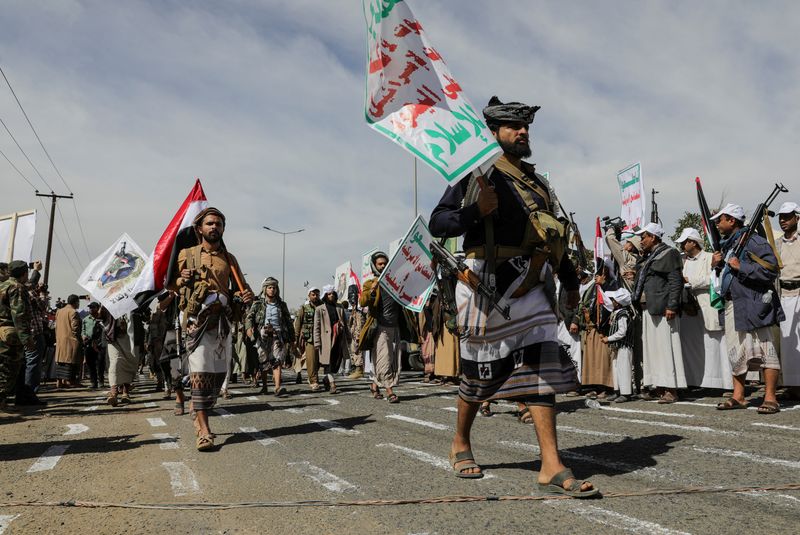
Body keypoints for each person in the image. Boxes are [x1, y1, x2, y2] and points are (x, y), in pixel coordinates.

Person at [429, 96, 596, 497]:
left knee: (541, 366)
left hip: (532, 283)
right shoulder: (474, 173)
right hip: (485, 281)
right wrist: (474, 212)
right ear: (494, 132)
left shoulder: (538, 183)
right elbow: (438, 223)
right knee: (478, 374)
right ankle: (461, 441)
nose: (522, 132)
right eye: (513, 127)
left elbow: (551, 236)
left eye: (525, 128)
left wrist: (570, 279)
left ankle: (551, 464)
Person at [169, 207, 253, 450]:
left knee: (217, 375)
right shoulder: (187, 254)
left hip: (223, 321)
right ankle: (203, 430)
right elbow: (172, 285)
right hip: (198, 320)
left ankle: (200, 407)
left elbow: (241, 288)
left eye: (218, 224)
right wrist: (182, 279)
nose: (214, 227)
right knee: (200, 371)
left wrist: (246, 295)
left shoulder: (230, 258)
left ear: (223, 229)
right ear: (199, 228)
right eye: (209, 223)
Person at [712, 204, 784, 413]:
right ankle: (739, 396)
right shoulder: (727, 245)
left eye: (721, 219)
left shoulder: (754, 241)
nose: (717, 223)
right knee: (736, 351)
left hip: (753, 303)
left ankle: (771, 397)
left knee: (766, 351)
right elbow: (725, 274)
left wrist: (740, 266)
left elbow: (771, 271)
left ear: (731, 220)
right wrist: (717, 265)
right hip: (733, 304)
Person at [632, 222, 686, 403]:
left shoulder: (669, 253)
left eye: (643, 237)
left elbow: (675, 281)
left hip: (664, 308)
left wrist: (672, 305)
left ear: (653, 237)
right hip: (649, 307)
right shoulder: (648, 257)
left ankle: (671, 389)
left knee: (666, 349)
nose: (641, 241)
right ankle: (658, 386)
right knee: (653, 350)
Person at [675, 228, 732, 391]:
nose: (683, 245)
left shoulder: (710, 257)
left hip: (708, 304)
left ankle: (721, 383)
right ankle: (695, 380)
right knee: (691, 344)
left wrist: (689, 281)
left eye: (685, 242)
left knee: (713, 343)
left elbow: (714, 278)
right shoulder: (682, 261)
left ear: (693, 242)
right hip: (688, 306)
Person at [358, 252, 402, 404]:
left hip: (395, 326)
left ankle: (374, 385)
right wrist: (372, 290)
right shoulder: (370, 283)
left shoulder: (395, 282)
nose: (383, 266)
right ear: (374, 266)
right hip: (380, 327)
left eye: (385, 263)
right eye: (380, 264)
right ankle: (389, 390)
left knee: (393, 360)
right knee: (384, 358)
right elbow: (362, 302)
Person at [246, 277, 294, 397]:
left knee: (277, 361)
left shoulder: (282, 305)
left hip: (277, 335)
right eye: (270, 287)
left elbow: (288, 321)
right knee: (264, 361)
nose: (272, 290)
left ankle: (277, 387)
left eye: (274, 287)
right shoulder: (257, 304)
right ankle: (265, 386)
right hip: (262, 335)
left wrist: (292, 339)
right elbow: (249, 317)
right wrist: (249, 328)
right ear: (265, 289)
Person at [0, 261, 33, 412]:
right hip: (10, 333)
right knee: (9, 368)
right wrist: (26, 338)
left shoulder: (3, 285)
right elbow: (19, 315)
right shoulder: (17, 287)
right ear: (24, 273)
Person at [776, 202, 800, 399]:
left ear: (797, 218)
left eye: (787, 216)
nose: (783, 220)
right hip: (784, 295)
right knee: (787, 343)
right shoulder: (777, 244)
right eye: (781, 217)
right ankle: (792, 385)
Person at [313, 285, 349, 394]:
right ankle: (333, 384)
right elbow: (317, 327)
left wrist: (348, 336)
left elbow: (346, 324)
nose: (331, 295)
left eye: (333, 293)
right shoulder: (320, 309)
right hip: (326, 340)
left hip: (338, 338)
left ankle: (326, 379)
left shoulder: (339, 307)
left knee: (336, 362)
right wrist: (317, 342)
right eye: (329, 294)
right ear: (325, 295)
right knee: (327, 363)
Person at [601, 288, 635, 402]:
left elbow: (622, 332)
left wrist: (608, 338)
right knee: (616, 368)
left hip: (624, 346)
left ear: (618, 302)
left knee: (623, 368)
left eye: (614, 299)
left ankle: (626, 393)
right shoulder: (617, 313)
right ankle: (617, 391)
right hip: (617, 346)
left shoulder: (623, 314)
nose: (612, 301)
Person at [103, 309, 138, 405]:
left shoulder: (135, 302)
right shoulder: (109, 302)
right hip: (114, 337)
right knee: (115, 362)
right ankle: (114, 391)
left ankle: (125, 392)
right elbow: (100, 316)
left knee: (129, 363)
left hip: (131, 338)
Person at [294, 287, 322, 390]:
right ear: (309, 296)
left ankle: (313, 377)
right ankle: (313, 381)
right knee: (311, 360)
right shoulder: (304, 308)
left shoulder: (323, 307)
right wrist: (296, 338)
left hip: (322, 337)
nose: (315, 296)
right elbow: (298, 323)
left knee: (319, 361)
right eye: (313, 294)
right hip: (309, 338)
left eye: (317, 294)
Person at [54, 294, 82, 388]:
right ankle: (70, 381)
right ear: (76, 302)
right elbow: (75, 328)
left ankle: (60, 382)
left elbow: (56, 326)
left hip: (60, 340)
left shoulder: (59, 311)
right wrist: (79, 338)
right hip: (71, 341)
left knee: (61, 362)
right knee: (70, 362)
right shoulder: (73, 312)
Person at [81, 302, 105, 390]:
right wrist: (83, 335)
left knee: (100, 363)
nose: (91, 309)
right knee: (90, 363)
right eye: (90, 307)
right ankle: (93, 382)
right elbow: (83, 330)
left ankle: (101, 381)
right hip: (89, 344)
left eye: (93, 307)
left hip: (100, 344)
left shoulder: (102, 319)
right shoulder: (85, 319)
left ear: (97, 308)